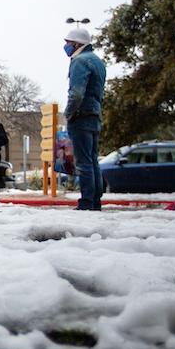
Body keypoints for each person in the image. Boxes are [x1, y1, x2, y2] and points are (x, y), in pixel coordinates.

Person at [64, 27, 108, 211]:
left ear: (76, 44)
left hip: (81, 116)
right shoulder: (98, 61)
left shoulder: (79, 61)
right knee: (92, 159)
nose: (66, 46)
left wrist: (69, 113)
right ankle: (95, 200)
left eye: (68, 43)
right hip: (94, 115)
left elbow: (76, 94)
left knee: (83, 161)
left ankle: (87, 202)